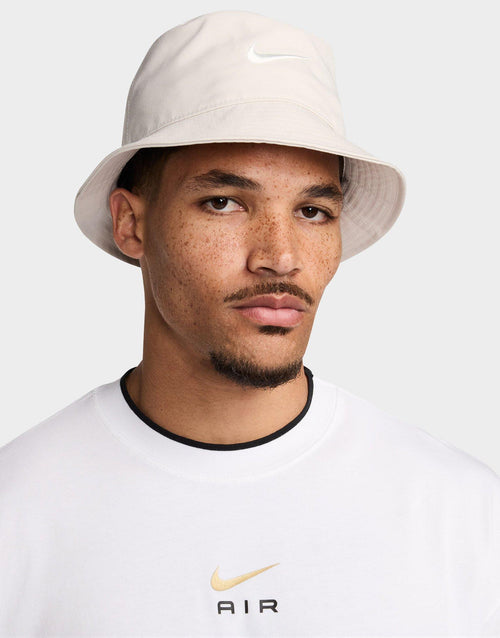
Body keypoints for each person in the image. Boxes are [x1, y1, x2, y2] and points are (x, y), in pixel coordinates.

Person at [0, 9, 499, 637]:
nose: (281, 257)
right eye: (224, 202)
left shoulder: (463, 514)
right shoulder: (18, 511)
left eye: (313, 211)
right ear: (131, 224)